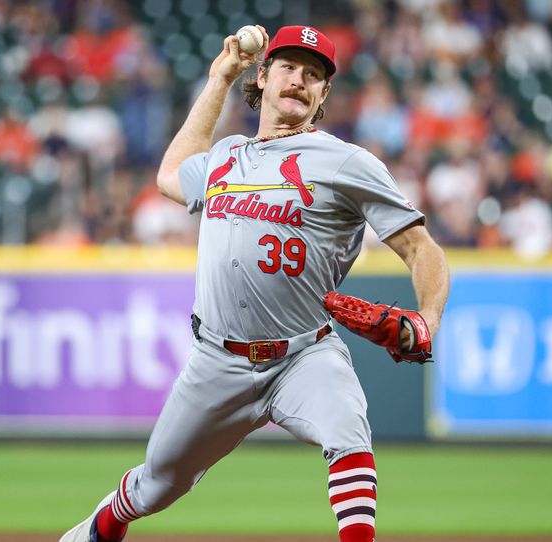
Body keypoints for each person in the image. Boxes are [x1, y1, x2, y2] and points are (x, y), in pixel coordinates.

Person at [60, 24, 449, 542]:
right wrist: (219, 78)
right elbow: (171, 174)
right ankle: (97, 529)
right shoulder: (227, 156)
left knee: (349, 434)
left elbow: (422, 248)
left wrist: (427, 319)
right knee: (157, 485)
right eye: (288, 67)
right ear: (262, 76)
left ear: (324, 94)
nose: (299, 80)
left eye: (314, 75)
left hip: (304, 354)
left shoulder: (347, 161)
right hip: (217, 360)